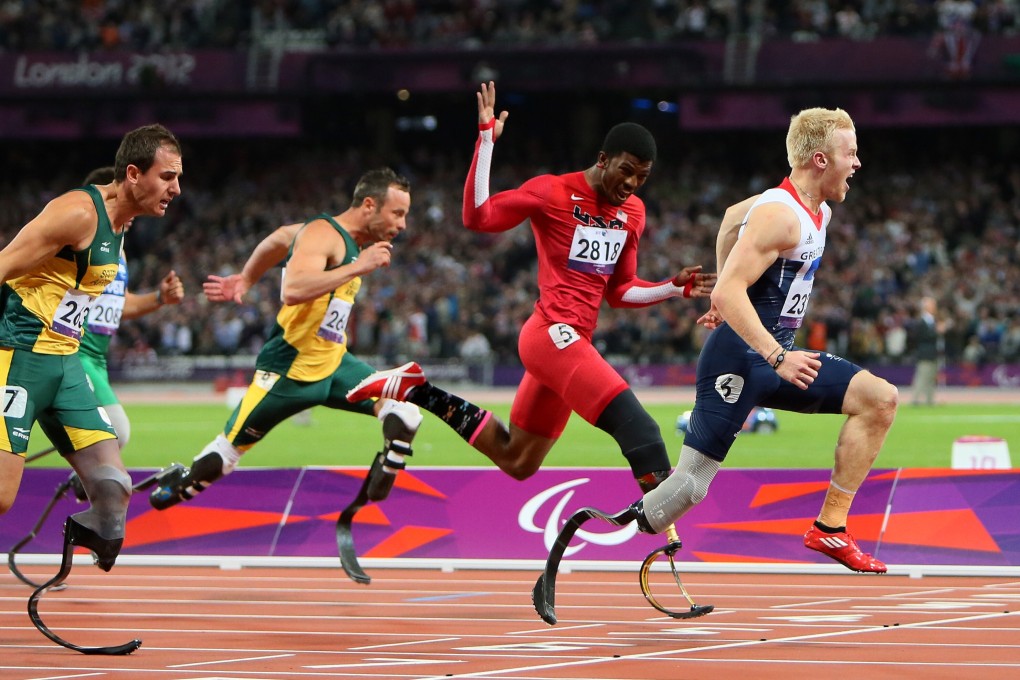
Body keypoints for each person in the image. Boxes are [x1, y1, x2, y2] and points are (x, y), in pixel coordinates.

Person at [346, 81, 715, 496]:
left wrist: (671, 288)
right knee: (640, 428)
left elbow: (620, 291)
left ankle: (419, 390)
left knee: (518, 460)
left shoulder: (633, 212)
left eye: (641, 177)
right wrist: (485, 140)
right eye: (625, 171)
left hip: (577, 342)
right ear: (603, 160)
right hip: (550, 335)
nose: (631, 184)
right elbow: (478, 217)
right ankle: (666, 529)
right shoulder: (552, 192)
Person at [633, 107, 898, 573]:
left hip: (777, 355)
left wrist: (725, 287)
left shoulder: (816, 212)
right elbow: (728, 288)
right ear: (820, 159)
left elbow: (732, 218)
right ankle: (612, 524)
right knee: (692, 486)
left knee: (880, 399)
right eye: (850, 153)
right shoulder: (781, 215)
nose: (857, 163)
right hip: (739, 358)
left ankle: (830, 529)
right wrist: (759, 337)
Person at [148, 168, 424, 509]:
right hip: (288, 372)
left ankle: (385, 472)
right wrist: (358, 267)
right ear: (369, 205)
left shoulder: (333, 238)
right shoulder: (324, 234)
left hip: (334, 364)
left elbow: (281, 237)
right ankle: (176, 488)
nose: (402, 225)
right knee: (227, 453)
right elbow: (293, 290)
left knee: (403, 407)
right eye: (397, 213)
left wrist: (247, 278)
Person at [0, 124, 183, 570]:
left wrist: (157, 300)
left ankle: (69, 559)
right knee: (2, 498)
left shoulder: (122, 224)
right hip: (20, 359)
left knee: (112, 487)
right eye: (168, 177)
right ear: (134, 174)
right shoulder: (78, 213)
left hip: (66, 367)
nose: (177, 189)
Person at [77, 166, 186, 450]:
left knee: (106, 440)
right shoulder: (83, 238)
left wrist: (159, 298)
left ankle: (82, 484)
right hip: (74, 352)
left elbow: (119, 304)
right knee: (117, 433)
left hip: (98, 359)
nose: (135, 211)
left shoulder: (120, 249)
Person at [909, 295, 942, 406]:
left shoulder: (931, 320)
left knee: (931, 378)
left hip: (932, 353)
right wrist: (937, 331)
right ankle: (915, 399)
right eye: (932, 305)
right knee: (922, 377)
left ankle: (930, 400)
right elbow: (923, 337)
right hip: (925, 353)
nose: (934, 307)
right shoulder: (922, 321)